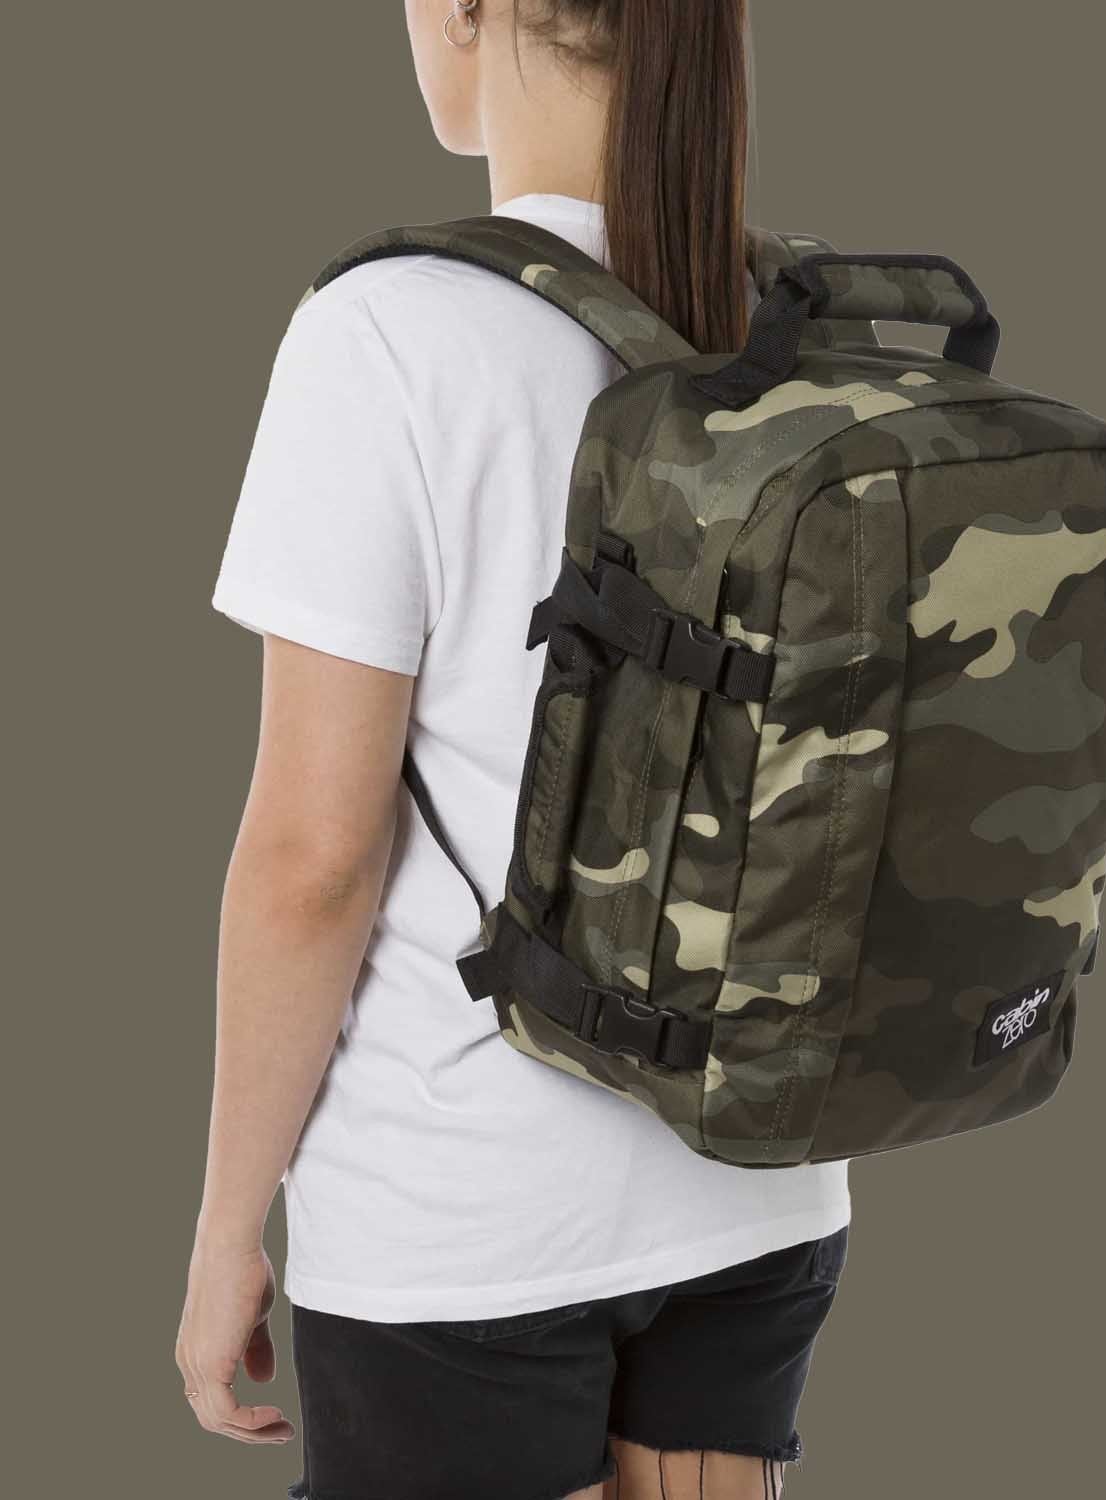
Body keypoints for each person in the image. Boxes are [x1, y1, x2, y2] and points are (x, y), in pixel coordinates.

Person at [174, 4, 851, 1497]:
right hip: (762, 1180)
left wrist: (227, 1228)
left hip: (461, 1217)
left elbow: (313, 859)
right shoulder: (795, 324)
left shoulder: (392, 332)